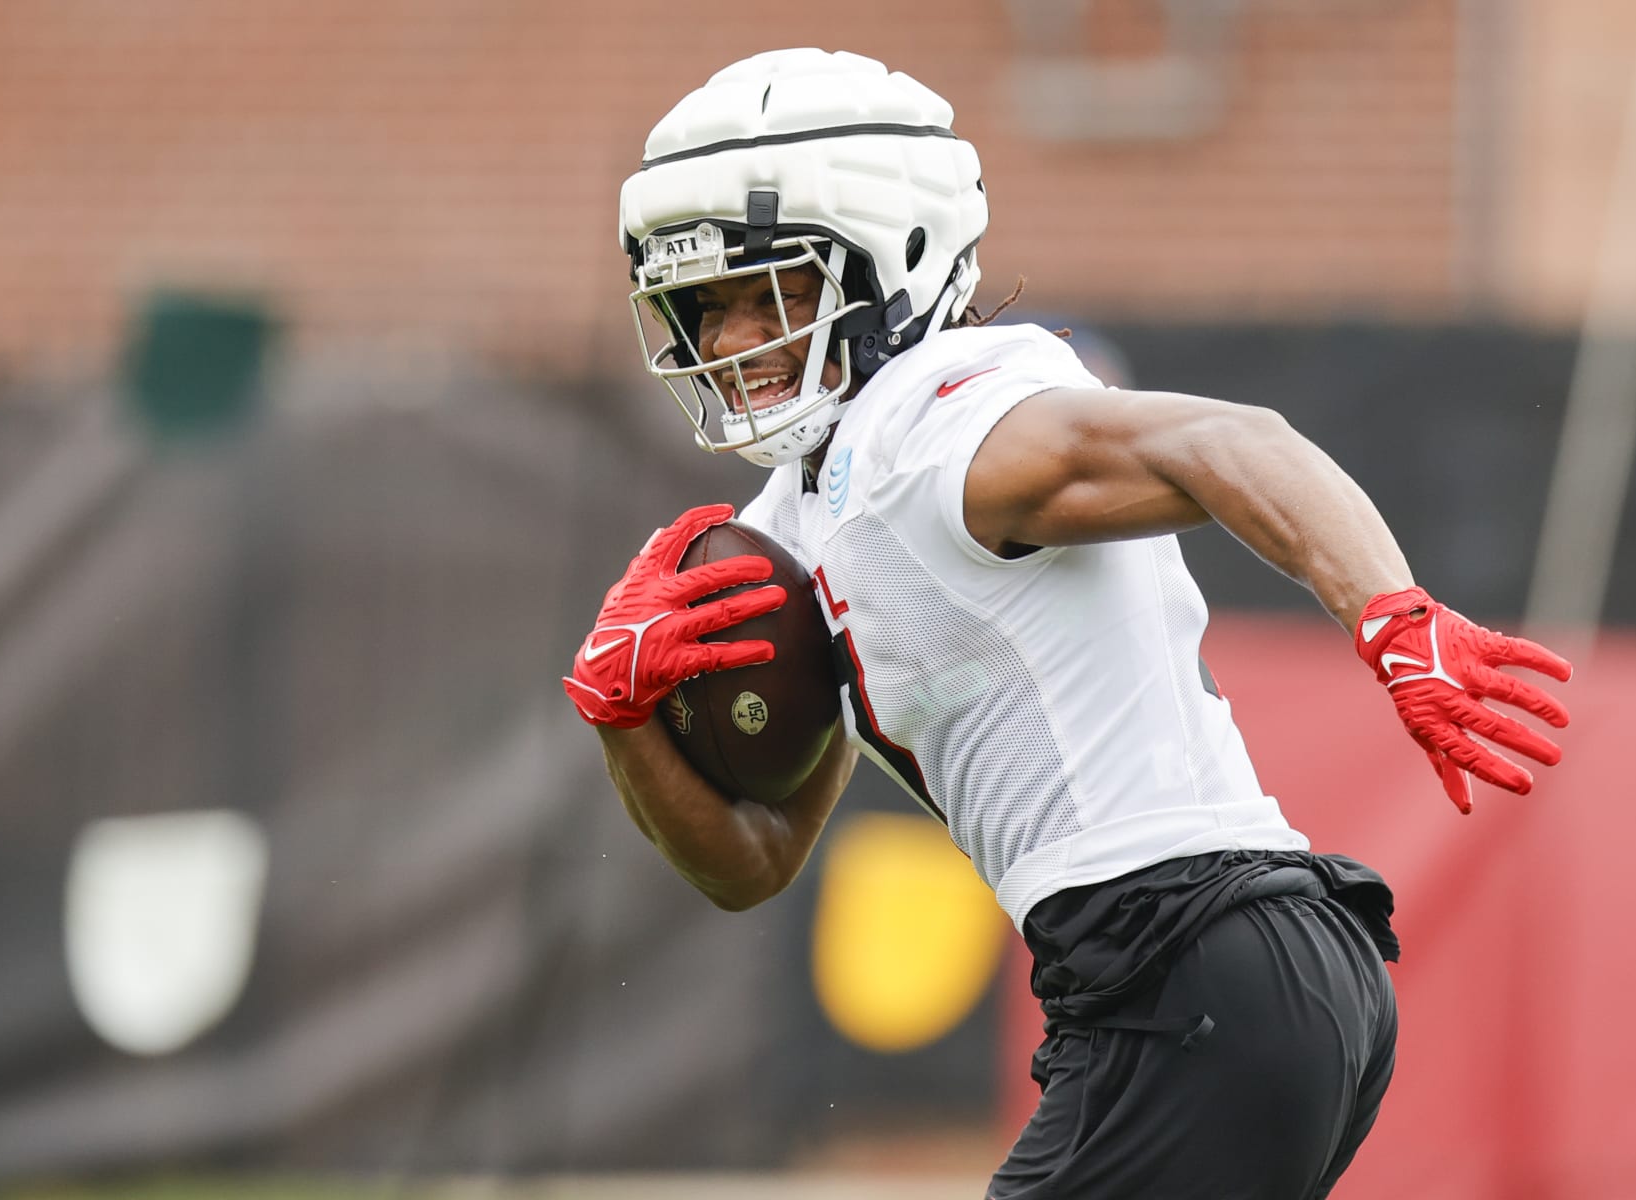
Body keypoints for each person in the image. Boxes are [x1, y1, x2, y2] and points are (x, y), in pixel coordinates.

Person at [564, 48, 1572, 1200]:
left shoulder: (931, 423)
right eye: (707, 307)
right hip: (1217, 974)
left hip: (1183, 959)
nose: (736, 339)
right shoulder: (803, 509)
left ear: (893, 258)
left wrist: (1394, 620)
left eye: (774, 292)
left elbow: (1238, 441)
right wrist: (618, 712)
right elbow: (755, 863)